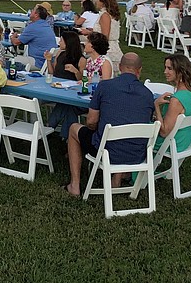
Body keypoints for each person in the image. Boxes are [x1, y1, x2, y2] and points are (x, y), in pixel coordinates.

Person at [65, 53, 154, 197]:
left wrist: (96, 127)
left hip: (107, 152)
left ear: (119, 67)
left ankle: (74, 185)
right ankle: (116, 179)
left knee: (74, 128)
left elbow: (91, 121)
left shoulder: (105, 86)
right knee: (123, 126)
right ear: (139, 70)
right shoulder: (148, 94)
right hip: (136, 154)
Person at [153, 54, 191, 152]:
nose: (165, 71)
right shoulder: (190, 93)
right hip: (183, 140)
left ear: (180, 72)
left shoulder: (176, 100)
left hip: (171, 143)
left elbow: (164, 132)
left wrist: (156, 105)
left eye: (169, 68)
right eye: (165, 67)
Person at [45, 31, 87, 140]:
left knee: (67, 104)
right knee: (67, 105)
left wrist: (75, 71)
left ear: (68, 42)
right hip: (57, 87)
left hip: (71, 90)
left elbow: (82, 80)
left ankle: (48, 127)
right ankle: (66, 137)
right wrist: (49, 60)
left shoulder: (81, 60)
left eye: (62, 40)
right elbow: (53, 73)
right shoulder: (60, 53)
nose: (59, 41)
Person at [81, 0, 123, 66]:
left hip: (108, 50)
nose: (96, 1)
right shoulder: (110, 14)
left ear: (102, 1)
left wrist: (89, 33)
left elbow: (105, 36)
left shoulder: (105, 15)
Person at [11, 4, 54, 69]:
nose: (31, 11)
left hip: (38, 62)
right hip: (48, 62)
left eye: (33, 10)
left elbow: (15, 42)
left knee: (12, 61)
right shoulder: (46, 25)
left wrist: (12, 37)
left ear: (36, 15)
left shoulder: (33, 27)